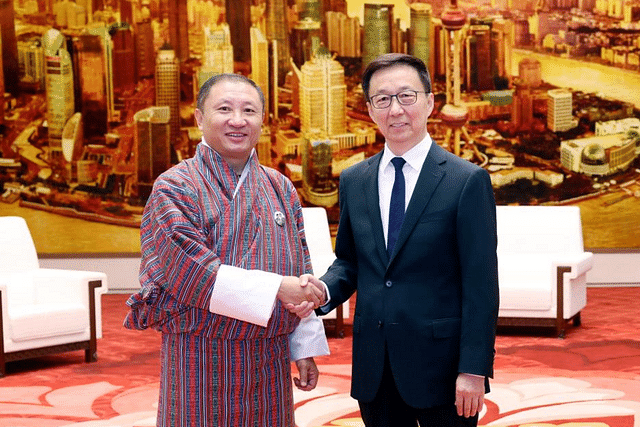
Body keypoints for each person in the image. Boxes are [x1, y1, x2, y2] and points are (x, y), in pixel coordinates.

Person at [296, 53, 499, 426]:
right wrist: (324, 291)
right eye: (383, 99)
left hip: (444, 369)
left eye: (407, 96)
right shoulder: (354, 180)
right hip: (376, 368)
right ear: (371, 110)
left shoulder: (466, 181)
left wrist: (473, 369)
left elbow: (481, 285)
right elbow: (351, 262)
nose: (396, 109)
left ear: (429, 102)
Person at [124, 73, 330, 427]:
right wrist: (278, 289)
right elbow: (190, 274)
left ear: (262, 121)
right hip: (200, 354)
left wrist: (304, 349)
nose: (238, 120)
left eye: (249, 110)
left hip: (269, 356)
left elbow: (300, 268)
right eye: (224, 109)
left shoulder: (280, 186)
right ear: (200, 118)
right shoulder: (174, 186)